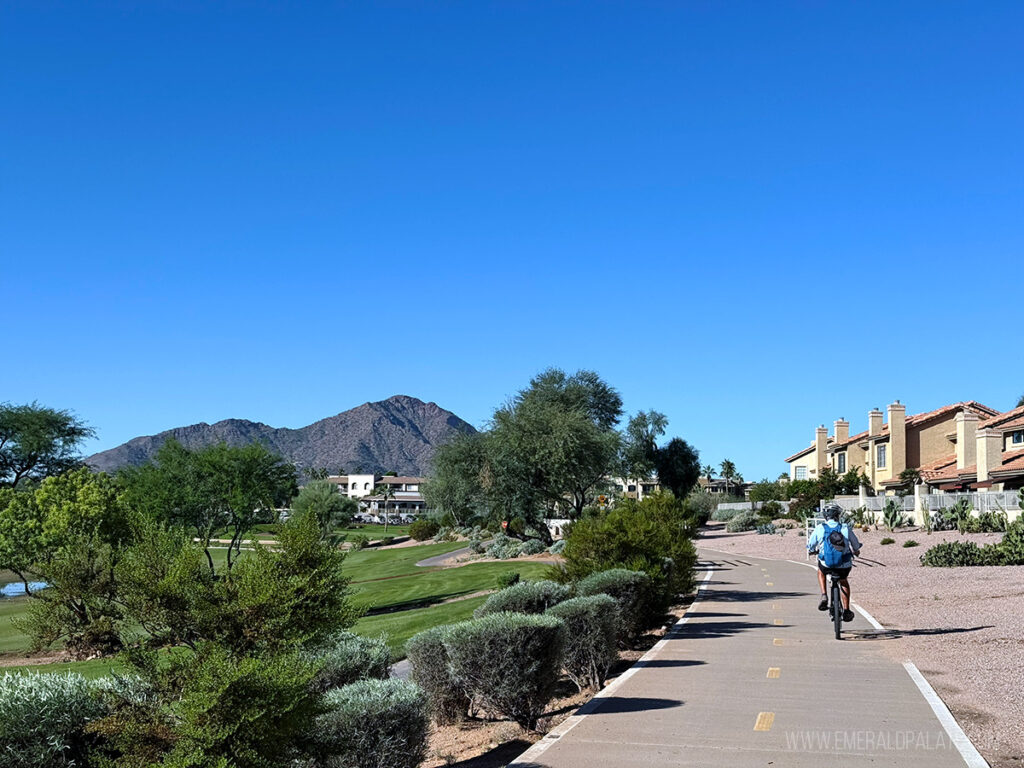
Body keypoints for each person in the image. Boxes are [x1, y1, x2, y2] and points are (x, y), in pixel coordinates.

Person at [806, 503, 861, 622]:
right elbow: (855, 545)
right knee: (843, 581)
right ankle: (846, 610)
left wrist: (812, 551)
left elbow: (811, 545)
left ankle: (824, 594)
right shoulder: (845, 528)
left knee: (821, 571)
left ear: (825, 516)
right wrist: (856, 551)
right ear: (838, 515)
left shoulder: (820, 528)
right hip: (844, 564)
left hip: (826, 564)